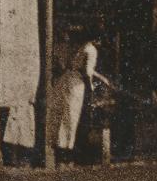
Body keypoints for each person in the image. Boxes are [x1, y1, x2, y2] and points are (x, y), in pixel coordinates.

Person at [46, 34, 109, 165]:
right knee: (71, 118)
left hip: (66, 80)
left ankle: (61, 150)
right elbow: (87, 72)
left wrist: (101, 78)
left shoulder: (82, 47)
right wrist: (94, 85)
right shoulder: (91, 50)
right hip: (76, 85)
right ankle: (67, 153)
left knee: (64, 116)